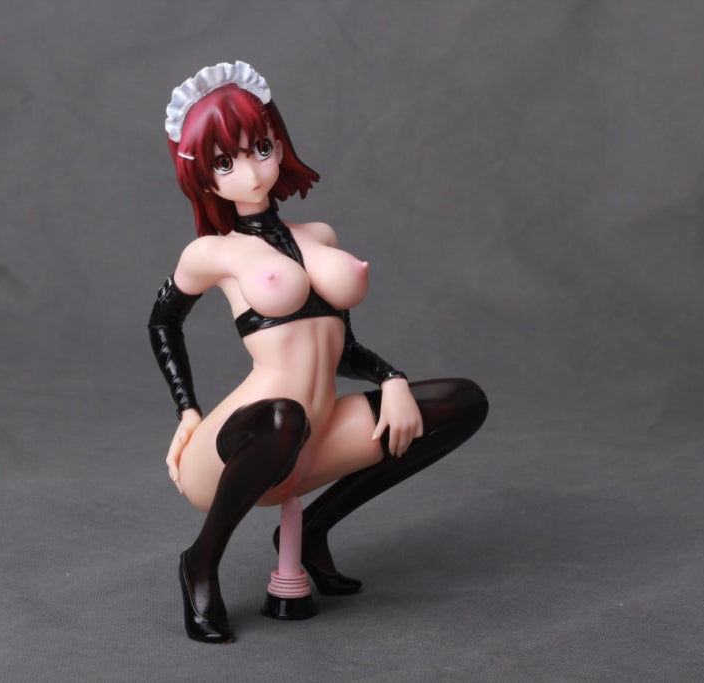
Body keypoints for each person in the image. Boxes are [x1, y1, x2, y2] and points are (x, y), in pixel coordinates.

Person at [149, 61, 488, 643]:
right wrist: (187, 410)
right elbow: (163, 322)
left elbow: (341, 347)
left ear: (278, 145)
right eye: (225, 162)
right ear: (203, 177)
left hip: (318, 435)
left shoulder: (319, 237)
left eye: (260, 148)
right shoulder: (212, 253)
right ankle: (200, 561)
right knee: (284, 416)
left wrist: (391, 379)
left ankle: (312, 532)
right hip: (239, 448)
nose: (250, 171)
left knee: (461, 402)